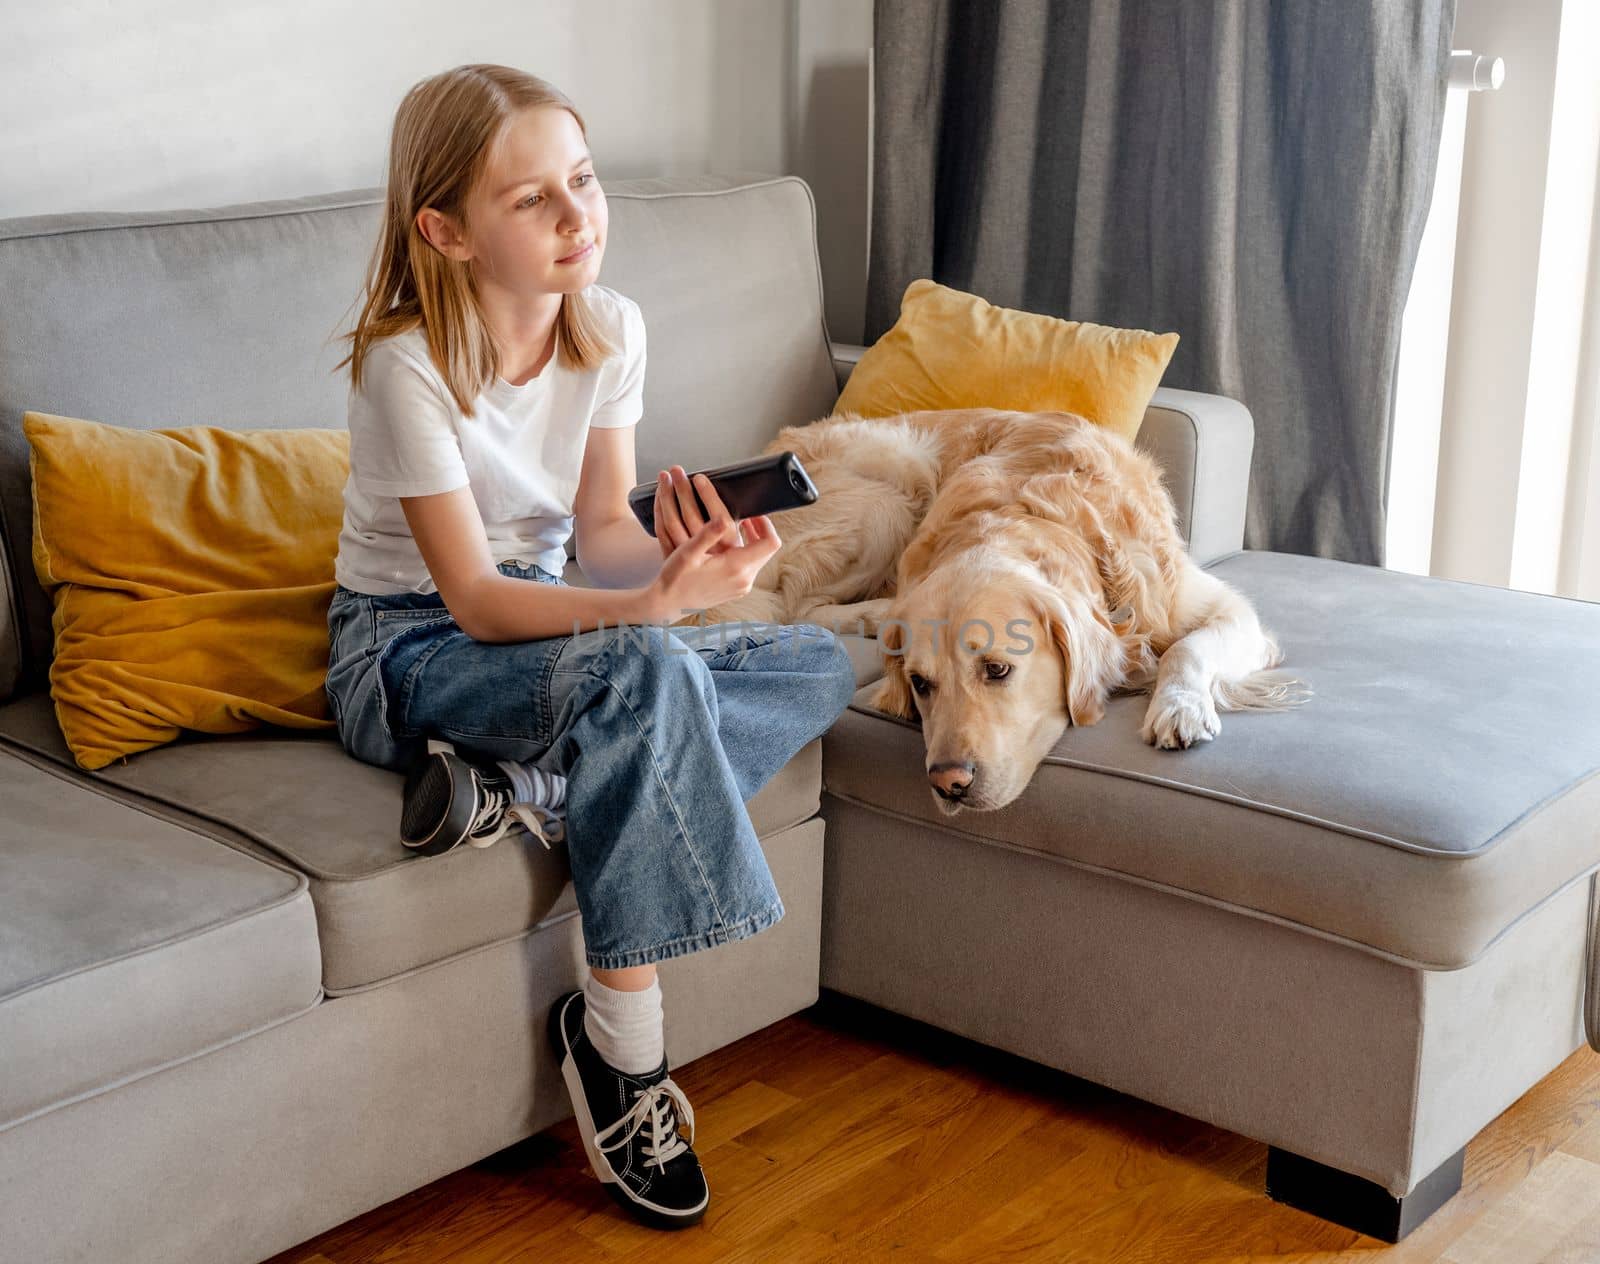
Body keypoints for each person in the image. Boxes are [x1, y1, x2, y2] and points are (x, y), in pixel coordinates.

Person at [323, 63, 860, 1232]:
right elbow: (468, 598)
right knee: (650, 667)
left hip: (545, 636)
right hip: (405, 650)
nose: (579, 216)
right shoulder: (404, 368)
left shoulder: (609, 326)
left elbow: (602, 532)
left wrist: (695, 571)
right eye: (533, 200)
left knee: (819, 662)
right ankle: (623, 1054)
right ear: (446, 231)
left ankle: (525, 790)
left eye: (583, 179)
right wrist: (648, 615)